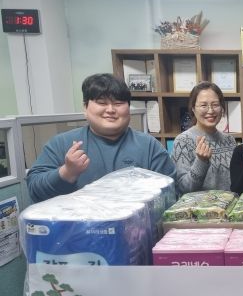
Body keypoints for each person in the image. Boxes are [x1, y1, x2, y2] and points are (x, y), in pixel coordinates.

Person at [26, 73, 176, 203]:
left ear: (128, 108)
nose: (110, 110)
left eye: (118, 103)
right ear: (85, 107)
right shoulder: (62, 143)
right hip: (76, 226)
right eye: (101, 103)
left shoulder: (148, 146)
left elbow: (171, 192)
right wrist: (67, 172)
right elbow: (34, 190)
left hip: (138, 225)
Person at [172, 82, 237, 194]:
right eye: (203, 105)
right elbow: (183, 189)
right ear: (193, 108)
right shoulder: (183, 141)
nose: (210, 111)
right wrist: (201, 161)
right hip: (199, 206)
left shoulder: (229, 140)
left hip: (230, 204)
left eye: (215, 105)